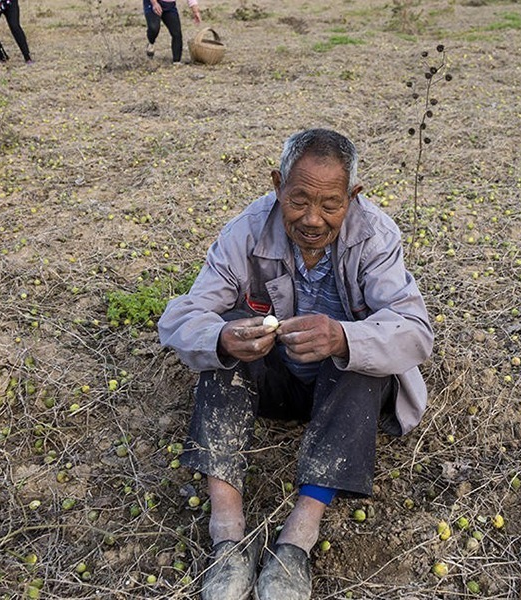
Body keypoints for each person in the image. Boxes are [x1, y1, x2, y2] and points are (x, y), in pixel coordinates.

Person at [158, 128, 434, 600]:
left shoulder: (376, 236)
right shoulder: (246, 229)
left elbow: (414, 330)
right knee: (221, 343)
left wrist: (343, 336)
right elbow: (181, 316)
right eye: (298, 200)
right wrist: (223, 337)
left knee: (360, 359)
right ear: (277, 185)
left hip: (343, 392)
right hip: (275, 382)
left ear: (353, 197)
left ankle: (297, 540)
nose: (312, 219)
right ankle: (226, 531)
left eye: (330, 204)